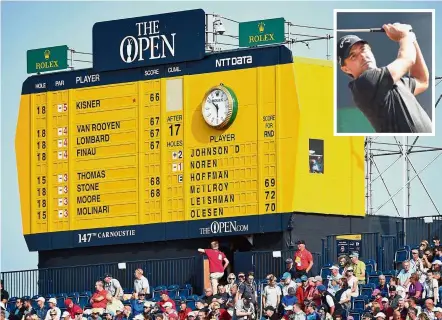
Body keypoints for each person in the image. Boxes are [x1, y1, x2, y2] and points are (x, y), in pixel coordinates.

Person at [337, 23, 431, 133]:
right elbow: (407, 59)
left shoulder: (393, 82)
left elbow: (422, 80)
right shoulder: (365, 83)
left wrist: (411, 38)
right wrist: (404, 36)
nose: (362, 56)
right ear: (346, 69)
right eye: (353, 56)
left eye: (363, 49)